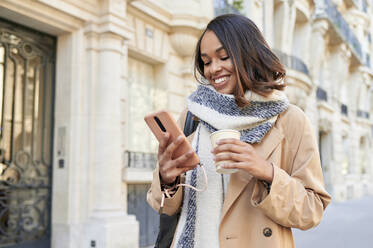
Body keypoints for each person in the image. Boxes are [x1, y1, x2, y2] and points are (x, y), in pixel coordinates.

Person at [147, 14, 331, 248]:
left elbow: (312, 209)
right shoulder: (192, 115)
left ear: (249, 55)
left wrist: (266, 172)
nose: (214, 69)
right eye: (206, 61)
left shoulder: (289, 120)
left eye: (223, 57)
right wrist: (167, 178)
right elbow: (162, 205)